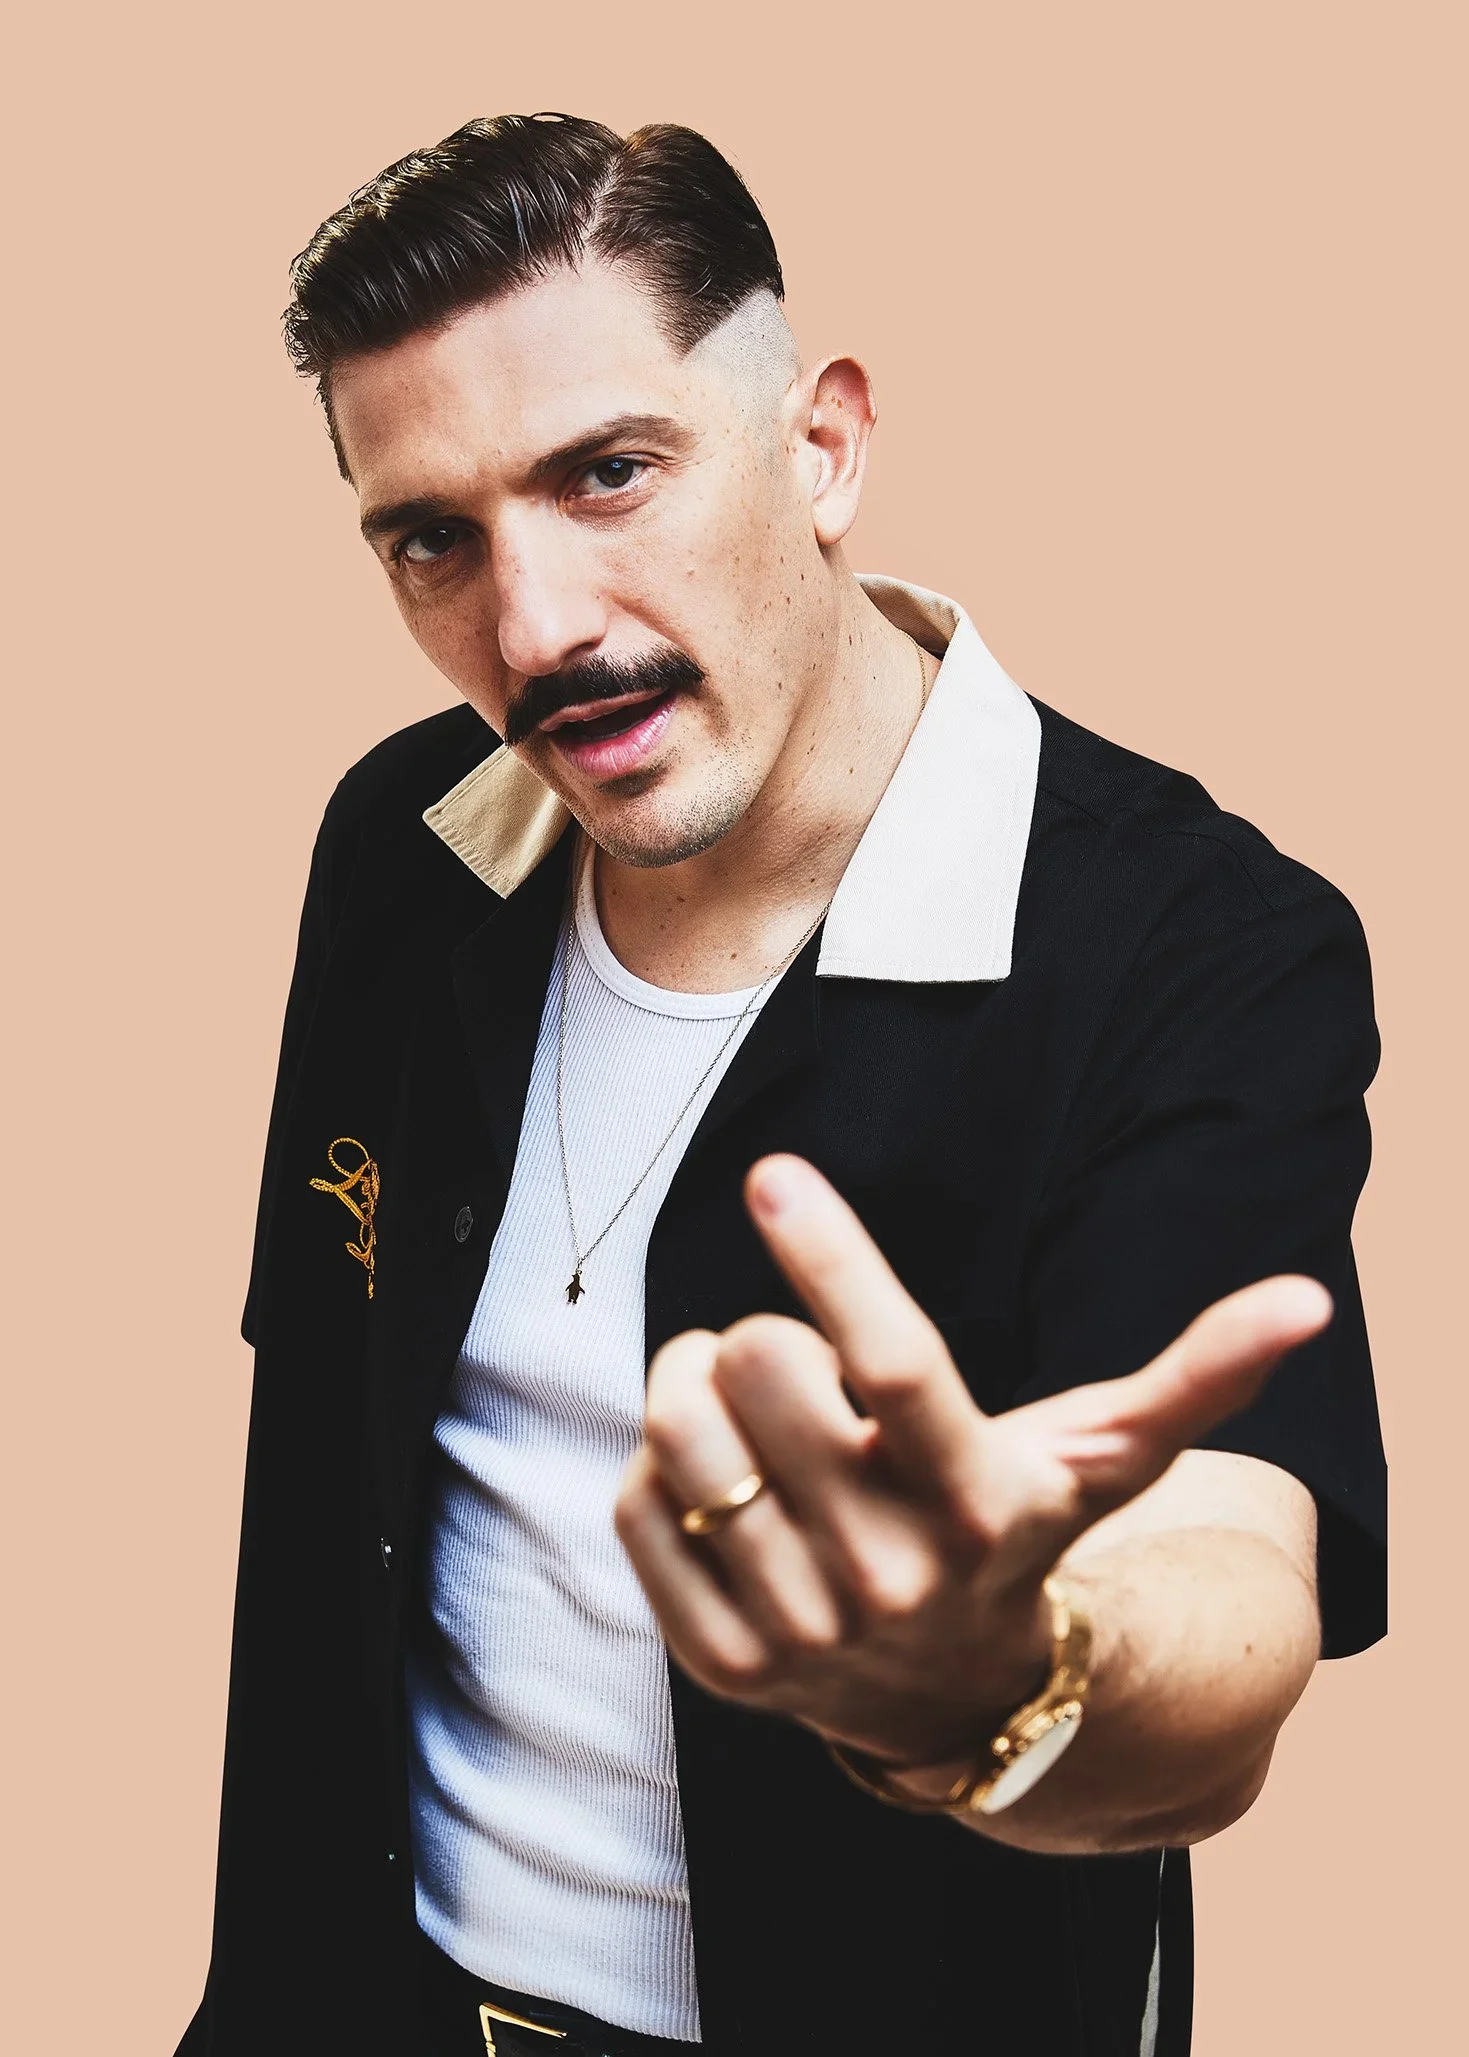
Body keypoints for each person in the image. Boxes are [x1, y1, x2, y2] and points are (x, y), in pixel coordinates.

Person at [176, 114, 1386, 2057]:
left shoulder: (1187, 940)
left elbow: (1229, 1583)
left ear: (818, 445)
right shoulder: (403, 848)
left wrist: (1003, 1675)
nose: (535, 624)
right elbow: (328, 1476)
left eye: (607, 474)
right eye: (433, 536)